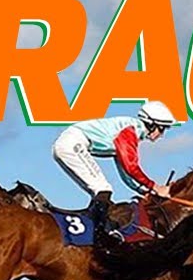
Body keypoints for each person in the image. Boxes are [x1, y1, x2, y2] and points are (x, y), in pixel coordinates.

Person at [52, 101, 179, 237]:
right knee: (103, 189)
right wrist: (155, 187)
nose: (162, 134)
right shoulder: (130, 132)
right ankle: (98, 234)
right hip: (72, 144)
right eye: (161, 128)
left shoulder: (130, 132)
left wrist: (144, 191)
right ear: (151, 124)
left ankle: (93, 229)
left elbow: (125, 173)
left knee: (100, 193)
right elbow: (131, 167)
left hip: (67, 144)